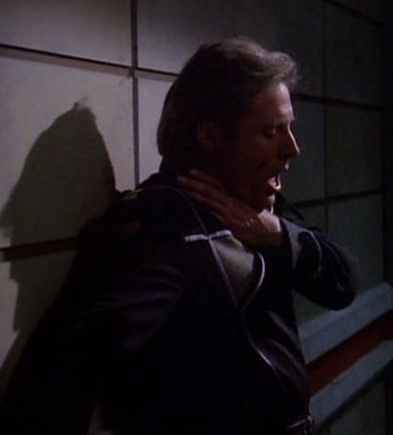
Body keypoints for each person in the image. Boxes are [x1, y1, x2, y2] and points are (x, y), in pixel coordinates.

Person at [0, 37, 358, 435]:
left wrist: (278, 236)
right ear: (210, 136)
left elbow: (343, 283)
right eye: (271, 131)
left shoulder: (254, 205)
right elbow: (49, 385)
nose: (292, 148)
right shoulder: (161, 228)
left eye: (289, 128)